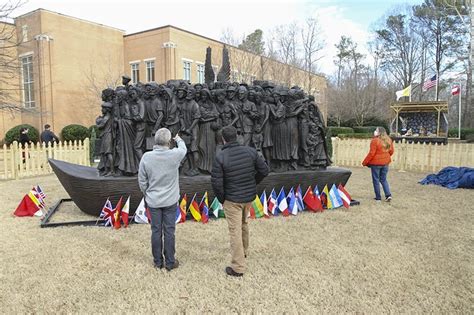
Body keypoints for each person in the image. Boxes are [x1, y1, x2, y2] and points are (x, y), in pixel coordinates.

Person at [211, 125, 269, 277]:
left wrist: (222, 199)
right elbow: (264, 170)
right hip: (247, 197)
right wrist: (253, 183)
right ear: (236, 136)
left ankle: (238, 267)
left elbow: (216, 183)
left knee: (235, 230)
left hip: (232, 199)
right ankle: (244, 251)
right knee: (243, 224)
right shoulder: (251, 152)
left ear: (223, 139)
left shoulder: (221, 156)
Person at [138, 128, 187, 270]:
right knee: (169, 231)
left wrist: (147, 193)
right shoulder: (174, 155)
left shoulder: (146, 157)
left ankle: (158, 262)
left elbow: (142, 180)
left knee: (156, 231)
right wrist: (178, 139)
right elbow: (183, 149)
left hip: (153, 200)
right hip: (170, 200)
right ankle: (170, 262)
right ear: (168, 141)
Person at [362, 127, 394, 202]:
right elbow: (391, 151)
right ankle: (388, 195)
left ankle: (378, 197)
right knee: (383, 179)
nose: (375, 131)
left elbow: (371, 153)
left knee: (376, 180)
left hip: (376, 164)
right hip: (385, 163)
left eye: (376, 130)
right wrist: (385, 156)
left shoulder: (375, 141)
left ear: (379, 132)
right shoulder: (389, 139)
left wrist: (365, 162)